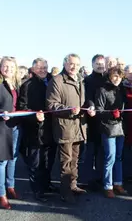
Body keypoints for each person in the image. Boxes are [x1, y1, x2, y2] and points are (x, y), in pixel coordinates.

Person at [46, 53, 96, 203]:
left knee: (75, 160)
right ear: (65, 64)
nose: (74, 67)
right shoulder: (57, 80)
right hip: (65, 126)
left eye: (77, 64)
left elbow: (84, 100)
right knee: (66, 162)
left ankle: (73, 185)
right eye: (71, 64)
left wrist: (91, 106)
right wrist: (68, 109)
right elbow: (51, 104)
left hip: (79, 126)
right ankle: (65, 191)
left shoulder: (80, 79)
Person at [18, 58, 57, 202]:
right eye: (39, 67)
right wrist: (34, 116)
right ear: (33, 69)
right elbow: (22, 107)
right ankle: (37, 190)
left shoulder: (53, 81)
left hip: (51, 128)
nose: (43, 70)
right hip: (35, 130)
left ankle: (47, 185)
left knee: (49, 160)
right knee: (36, 162)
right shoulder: (27, 85)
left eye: (45, 67)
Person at [0, 56, 23, 209]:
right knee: (1, 161)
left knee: (13, 158)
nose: (8, 69)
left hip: (15, 125)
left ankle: (11, 186)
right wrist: (2, 112)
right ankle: (1, 193)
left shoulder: (16, 84)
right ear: (0, 67)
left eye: (11, 67)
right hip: (0, 127)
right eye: (5, 66)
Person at [95, 67, 127, 198]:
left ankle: (118, 183)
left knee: (119, 156)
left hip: (121, 127)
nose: (117, 79)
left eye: (119, 76)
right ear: (109, 76)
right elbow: (98, 110)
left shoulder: (121, 89)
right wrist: (111, 114)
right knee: (110, 157)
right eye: (114, 76)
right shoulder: (102, 90)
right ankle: (108, 186)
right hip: (108, 128)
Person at [84, 54, 106, 190]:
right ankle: (88, 179)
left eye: (102, 64)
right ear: (92, 65)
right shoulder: (88, 80)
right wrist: (91, 105)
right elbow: (87, 96)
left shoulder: (107, 79)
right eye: (97, 64)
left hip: (105, 119)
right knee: (90, 150)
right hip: (92, 119)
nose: (100, 66)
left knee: (102, 151)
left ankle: (99, 177)